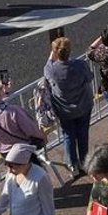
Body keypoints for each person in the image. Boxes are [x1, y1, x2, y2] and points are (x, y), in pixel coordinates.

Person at [44, 37, 94, 177]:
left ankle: (72, 164)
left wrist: (52, 54)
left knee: (69, 136)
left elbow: (47, 67)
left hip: (64, 109)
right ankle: (85, 162)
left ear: (55, 52)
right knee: (83, 134)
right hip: (83, 105)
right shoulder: (80, 65)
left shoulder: (51, 69)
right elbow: (90, 78)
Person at [0, 79, 47, 153]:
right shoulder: (14, 111)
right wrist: (43, 137)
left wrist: (5, 92)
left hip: (5, 151)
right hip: (22, 149)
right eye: (0, 89)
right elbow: (31, 130)